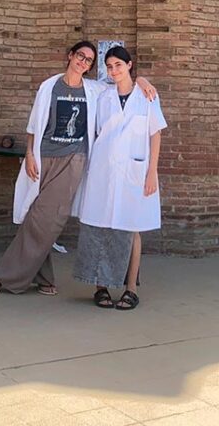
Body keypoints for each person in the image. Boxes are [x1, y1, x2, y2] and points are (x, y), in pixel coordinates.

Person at [0, 40, 154, 297]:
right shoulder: (49, 86)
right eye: (80, 56)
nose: (83, 62)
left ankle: (5, 276)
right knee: (36, 217)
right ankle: (44, 278)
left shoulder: (94, 89)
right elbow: (33, 125)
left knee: (44, 219)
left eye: (89, 61)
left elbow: (122, 80)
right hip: (42, 159)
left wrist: (144, 80)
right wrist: (29, 154)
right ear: (70, 56)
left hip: (73, 160)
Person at [73, 45, 166, 311]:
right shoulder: (103, 96)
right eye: (109, 66)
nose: (114, 71)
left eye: (118, 65)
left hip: (135, 172)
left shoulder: (147, 96)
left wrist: (152, 171)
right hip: (103, 171)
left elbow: (155, 134)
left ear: (129, 65)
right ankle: (100, 287)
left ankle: (131, 289)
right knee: (100, 226)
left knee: (131, 227)